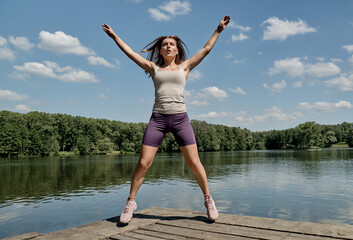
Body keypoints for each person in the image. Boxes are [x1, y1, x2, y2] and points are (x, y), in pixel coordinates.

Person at [102, 15, 230, 223]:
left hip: (180, 120)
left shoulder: (185, 67)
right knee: (144, 162)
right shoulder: (153, 68)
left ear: (177, 50)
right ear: (160, 50)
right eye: (165, 45)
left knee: (194, 162)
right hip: (158, 120)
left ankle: (208, 200)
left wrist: (218, 30)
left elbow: (206, 49)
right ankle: (130, 202)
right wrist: (115, 36)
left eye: (172, 44)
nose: (168, 47)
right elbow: (130, 53)